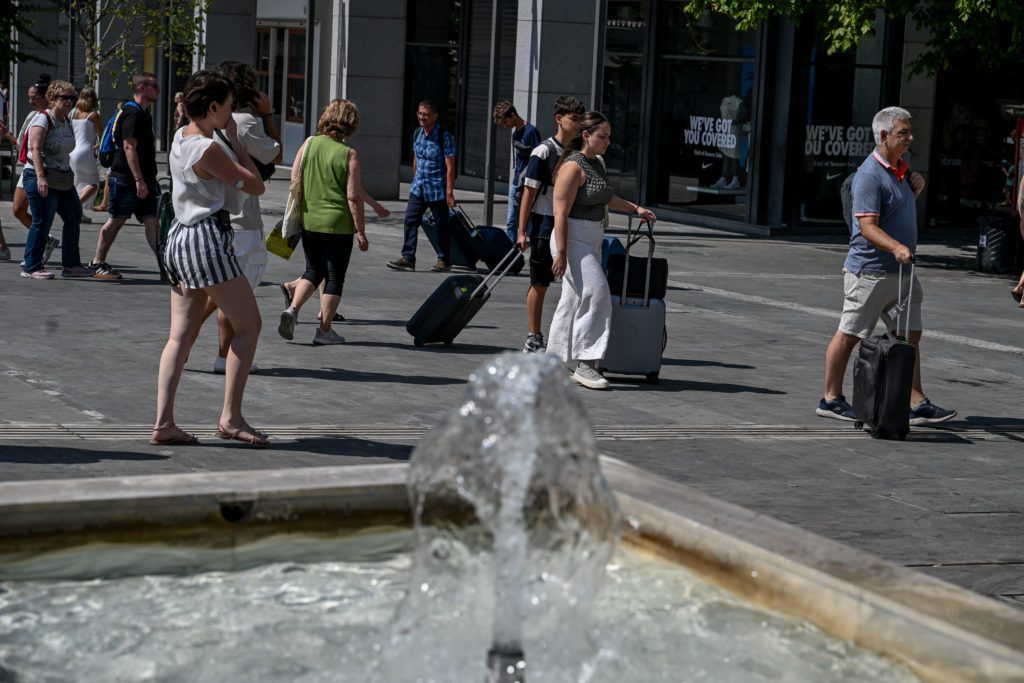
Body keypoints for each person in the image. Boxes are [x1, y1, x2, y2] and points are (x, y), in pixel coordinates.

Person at [817, 106, 956, 425]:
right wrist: (897, 247)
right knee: (849, 334)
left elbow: (893, 213)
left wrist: (914, 191)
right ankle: (830, 399)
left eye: (909, 131)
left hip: (902, 272)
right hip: (870, 271)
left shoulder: (901, 171)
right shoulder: (869, 174)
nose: (910, 137)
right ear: (883, 135)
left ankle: (916, 402)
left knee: (908, 335)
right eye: (903, 132)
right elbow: (866, 226)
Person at [155, 69, 267, 447]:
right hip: (206, 239)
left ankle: (163, 422)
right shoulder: (209, 148)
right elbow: (255, 184)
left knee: (180, 336)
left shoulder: (179, 138)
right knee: (249, 325)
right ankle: (231, 417)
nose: (232, 112)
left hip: (179, 240)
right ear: (214, 106)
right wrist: (235, 138)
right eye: (230, 107)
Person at [548, 111, 655, 390]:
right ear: (586, 136)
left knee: (571, 301)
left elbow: (607, 198)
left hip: (591, 238)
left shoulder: (596, 163)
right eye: (602, 136)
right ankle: (586, 363)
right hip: (571, 239)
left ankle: (553, 361)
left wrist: (636, 209)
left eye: (608, 136)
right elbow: (559, 214)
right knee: (598, 295)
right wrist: (560, 253)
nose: (608, 141)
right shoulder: (572, 167)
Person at [206, 61, 283, 374]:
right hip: (240, 221)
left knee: (218, 293)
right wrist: (267, 114)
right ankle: (224, 359)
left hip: (214, 218)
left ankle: (186, 342)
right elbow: (275, 154)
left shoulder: (203, 123)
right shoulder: (245, 123)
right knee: (236, 297)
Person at [277, 99, 368, 345]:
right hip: (338, 224)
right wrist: (361, 231)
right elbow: (353, 196)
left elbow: (294, 177)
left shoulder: (309, 143)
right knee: (334, 276)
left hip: (310, 220)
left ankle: (293, 310)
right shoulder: (349, 154)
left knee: (313, 270)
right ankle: (324, 330)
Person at [516, 95, 585, 352]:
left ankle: (570, 338)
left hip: (570, 225)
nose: (578, 125)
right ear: (559, 119)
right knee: (540, 283)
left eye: (580, 120)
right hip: (544, 227)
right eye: (573, 119)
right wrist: (522, 232)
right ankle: (533, 337)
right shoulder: (544, 151)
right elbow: (528, 195)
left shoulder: (578, 152)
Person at [89, 72, 162, 280]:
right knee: (116, 220)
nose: (157, 90)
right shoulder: (132, 113)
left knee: (152, 221)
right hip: (127, 179)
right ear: (140, 87)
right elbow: (129, 147)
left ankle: (165, 266)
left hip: (144, 180)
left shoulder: (142, 114)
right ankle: (97, 262)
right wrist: (139, 179)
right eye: (153, 86)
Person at [279, 189, 389, 324]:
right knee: (331, 272)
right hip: (337, 220)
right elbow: (354, 191)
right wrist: (366, 221)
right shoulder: (348, 166)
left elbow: (295, 180)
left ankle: (298, 304)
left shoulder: (307, 165)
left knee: (317, 269)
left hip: (310, 217)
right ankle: (324, 328)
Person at [20, 80, 94, 279]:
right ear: (52, 99)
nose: (69, 101)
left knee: (74, 216)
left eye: (72, 97)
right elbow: (34, 148)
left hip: (61, 177)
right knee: (42, 221)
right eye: (64, 97)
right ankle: (31, 266)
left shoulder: (66, 120)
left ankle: (71, 266)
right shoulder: (43, 119)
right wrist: (40, 177)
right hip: (41, 175)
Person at [386, 99, 457, 272]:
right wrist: (415, 177)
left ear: (435, 116)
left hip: (437, 189)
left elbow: (450, 166)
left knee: (441, 225)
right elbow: (416, 158)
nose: (422, 117)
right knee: (410, 219)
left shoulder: (444, 137)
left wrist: (449, 192)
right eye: (420, 113)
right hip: (418, 187)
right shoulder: (417, 133)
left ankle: (444, 259)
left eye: (425, 114)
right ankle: (408, 257)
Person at [0, 80, 59, 263]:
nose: (31, 101)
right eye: (29, 97)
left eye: (34, 98)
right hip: (29, 166)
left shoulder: (55, 117)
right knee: (18, 210)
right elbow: (21, 143)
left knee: (41, 213)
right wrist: (8, 135)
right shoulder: (33, 115)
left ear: (45, 98)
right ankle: (47, 240)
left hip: (43, 169)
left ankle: (35, 254)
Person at [493, 99, 541, 244]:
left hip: (527, 183)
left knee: (526, 221)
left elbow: (538, 158)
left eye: (505, 122)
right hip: (516, 181)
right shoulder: (516, 133)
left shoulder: (531, 131)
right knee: (511, 221)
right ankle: (510, 254)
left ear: (513, 115)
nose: (505, 126)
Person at [69, 87, 102, 222]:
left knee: (78, 183)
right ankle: (75, 206)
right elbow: (102, 136)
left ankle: (79, 214)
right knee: (94, 183)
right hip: (86, 152)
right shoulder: (94, 115)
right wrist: (97, 146)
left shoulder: (73, 113)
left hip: (72, 152)